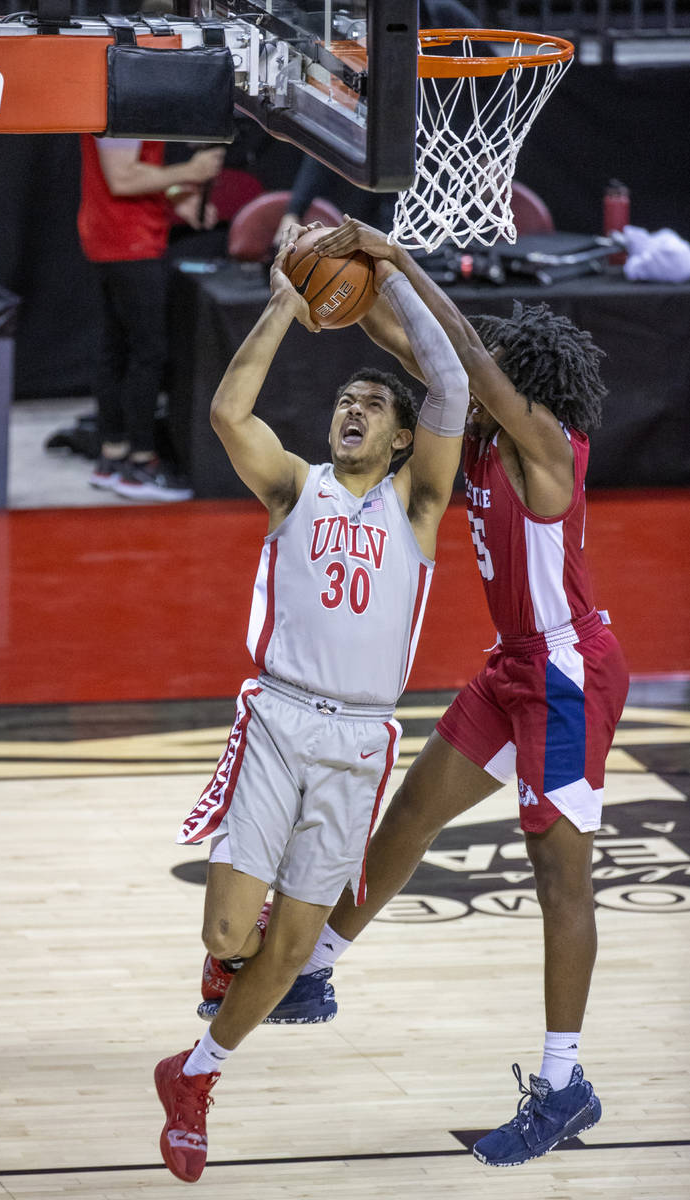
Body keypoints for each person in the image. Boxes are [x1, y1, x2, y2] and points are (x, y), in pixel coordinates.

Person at [212, 217, 630, 1169]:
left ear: (532, 392)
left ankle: (564, 1085)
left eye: (502, 387)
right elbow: (422, 350)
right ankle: (312, 971)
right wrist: (342, 290)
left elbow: (471, 359)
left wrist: (400, 259)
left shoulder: (546, 448)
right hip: (511, 662)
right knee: (405, 820)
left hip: (567, 672)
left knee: (560, 878)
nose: (485, 396)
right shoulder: (482, 427)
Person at [153, 228, 470, 1183]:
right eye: (345, 398)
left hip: (363, 741)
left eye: (372, 402)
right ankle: (224, 967)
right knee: (227, 937)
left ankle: (194, 1077)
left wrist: (402, 274)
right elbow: (225, 411)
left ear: (403, 435)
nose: (353, 408)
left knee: (292, 956)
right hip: (280, 721)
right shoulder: (296, 488)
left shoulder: (418, 505)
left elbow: (451, 384)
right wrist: (290, 301)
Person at [77, 135, 224, 501]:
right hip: (129, 241)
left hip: (115, 236)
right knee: (148, 352)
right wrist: (192, 171)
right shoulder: (121, 105)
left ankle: (113, 457)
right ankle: (141, 463)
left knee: (118, 348)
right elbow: (122, 178)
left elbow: (139, 170)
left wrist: (178, 196)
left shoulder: (125, 101)